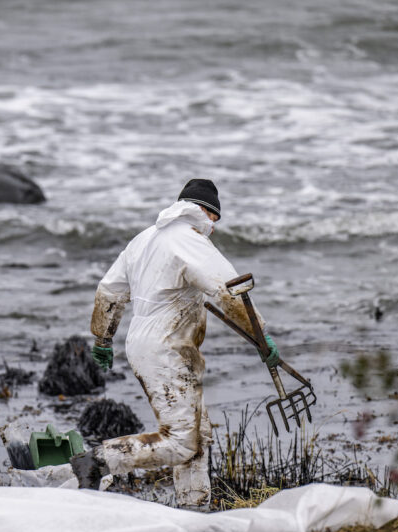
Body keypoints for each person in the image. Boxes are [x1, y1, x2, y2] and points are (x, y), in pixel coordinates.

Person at [70, 179, 280, 509]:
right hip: (164, 347)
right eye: (215, 219)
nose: (213, 226)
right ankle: (99, 460)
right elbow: (229, 290)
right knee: (183, 441)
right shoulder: (190, 241)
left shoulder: (144, 239)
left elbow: (110, 290)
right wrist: (260, 335)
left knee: (198, 433)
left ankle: (194, 506)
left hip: (143, 342)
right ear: (208, 213)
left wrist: (103, 337)